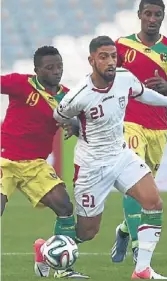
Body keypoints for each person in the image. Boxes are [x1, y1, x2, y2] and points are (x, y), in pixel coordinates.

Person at [53, 36, 167, 279]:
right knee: (88, 231)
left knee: (153, 202)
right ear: (91, 60)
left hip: (121, 155)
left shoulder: (124, 78)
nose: (110, 61)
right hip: (92, 166)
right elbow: (59, 115)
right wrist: (74, 125)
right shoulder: (80, 94)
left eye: (113, 56)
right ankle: (48, 253)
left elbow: (145, 94)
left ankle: (142, 269)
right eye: (103, 57)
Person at [111, 0, 167, 264]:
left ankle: (124, 230)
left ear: (162, 17)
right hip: (129, 121)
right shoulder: (122, 45)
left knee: (145, 192)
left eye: (157, 14)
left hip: (158, 126)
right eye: (147, 13)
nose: (152, 18)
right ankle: (138, 247)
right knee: (132, 183)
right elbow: (107, 78)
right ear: (139, 15)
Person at [0, 46, 89, 279]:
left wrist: (74, 126)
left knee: (65, 207)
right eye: (49, 67)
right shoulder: (21, 84)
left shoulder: (68, 97)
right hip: (5, 160)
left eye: (59, 66)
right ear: (37, 69)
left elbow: (81, 124)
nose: (56, 71)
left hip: (35, 165)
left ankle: (61, 268)